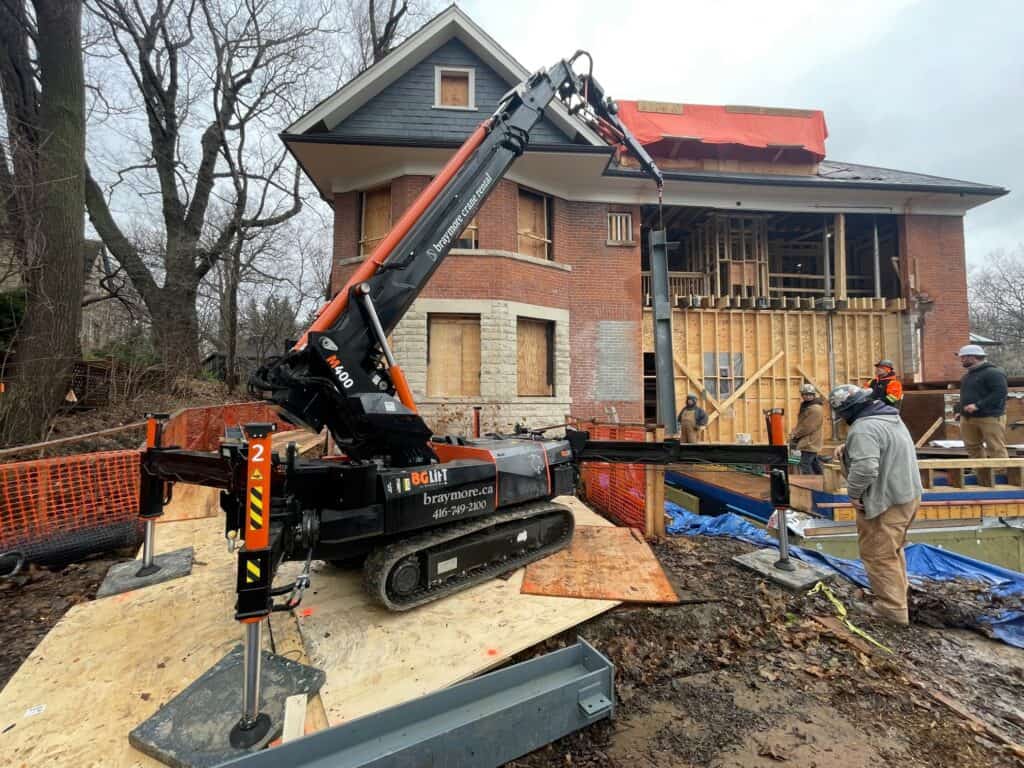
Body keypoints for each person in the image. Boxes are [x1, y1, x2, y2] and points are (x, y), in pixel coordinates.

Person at [829, 384, 923, 626]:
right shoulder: (889, 417)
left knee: (878, 554)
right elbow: (882, 445)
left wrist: (853, 493)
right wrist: (849, 449)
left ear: (850, 410)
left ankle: (891, 610)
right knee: (893, 549)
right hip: (907, 495)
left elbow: (867, 467)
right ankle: (900, 596)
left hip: (885, 501)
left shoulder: (863, 429)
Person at [957, 344, 1009, 459]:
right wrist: (959, 410)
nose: (961, 360)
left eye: (963, 357)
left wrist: (978, 405)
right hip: (968, 418)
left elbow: (999, 393)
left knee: (995, 447)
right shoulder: (967, 376)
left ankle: (1000, 474)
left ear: (973, 357)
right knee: (972, 448)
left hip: (990, 417)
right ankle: (981, 475)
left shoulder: (993, 373)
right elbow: (965, 395)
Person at [789, 383, 824, 474]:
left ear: (813, 395)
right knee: (813, 462)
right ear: (802, 395)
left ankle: (810, 484)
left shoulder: (814, 409)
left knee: (805, 464)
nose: (807, 396)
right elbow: (803, 423)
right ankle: (822, 481)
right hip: (809, 439)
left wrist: (795, 435)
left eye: (810, 394)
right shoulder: (807, 406)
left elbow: (808, 427)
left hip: (810, 440)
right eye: (805, 394)